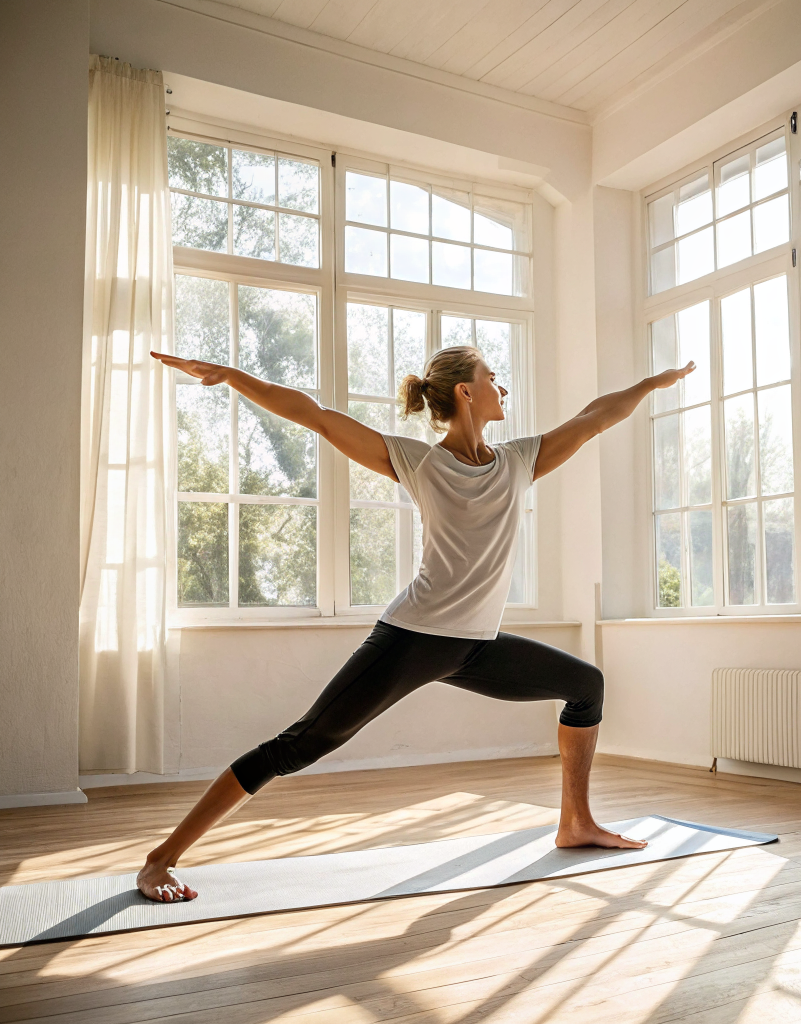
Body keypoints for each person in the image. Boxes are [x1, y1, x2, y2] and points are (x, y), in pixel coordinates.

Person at [140, 344, 696, 902]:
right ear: (465, 391)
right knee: (300, 745)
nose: (503, 389)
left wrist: (652, 383)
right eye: (493, 378)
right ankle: (159, 860)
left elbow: (595, 417)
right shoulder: (420, 462)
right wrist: (232, 375)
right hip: (413, 639)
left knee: (585, 686)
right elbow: (314, 415)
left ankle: (575, 822)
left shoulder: (519, 461)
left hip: (475, 646)